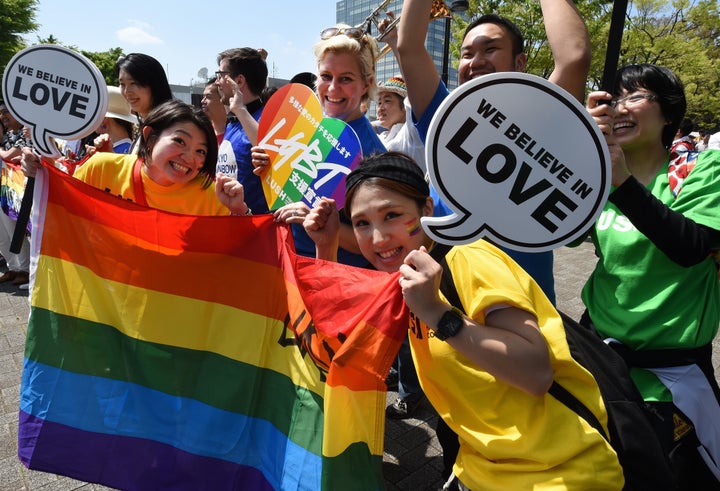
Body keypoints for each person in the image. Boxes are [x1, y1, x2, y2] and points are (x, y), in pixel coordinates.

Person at [301, 151, 624, 490]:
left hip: (558, 472)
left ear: (426, 210)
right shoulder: (407, 275)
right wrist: (327, 244)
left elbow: (536, 373)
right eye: (362, 223)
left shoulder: (468, 259)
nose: (378, 238)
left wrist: (438, 314)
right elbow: (337, 344)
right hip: (479, 469)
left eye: (392, 215)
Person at [397, 0, 590, 305]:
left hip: (525, 316)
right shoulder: (445, 118)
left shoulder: (542, 119)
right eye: (467, 53)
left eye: (490, 50)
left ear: (519, 63)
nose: (476, 61)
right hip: (444, 314)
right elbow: (408, 46)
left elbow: (574, 58)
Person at [583, 63, 720, 489]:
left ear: (668, 114)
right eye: (611, 98)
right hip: (599, 361)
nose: (618, 107)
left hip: (672, 379)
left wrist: (619, 178)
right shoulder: (594, 174)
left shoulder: (702, 169)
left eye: (634, 96)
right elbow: (550, 230)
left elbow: (689, 246)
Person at [252, 25, 386, 268]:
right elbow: (284, 197)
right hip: (290, 265)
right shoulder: (303, 126)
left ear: (366, 84)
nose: (333, 88)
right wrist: (269, 166)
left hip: (338, 281)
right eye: (326, 77)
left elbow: (376, 242)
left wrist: (315, 220)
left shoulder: (373, 155)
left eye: (346, 78)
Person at [22, 100, 250, 217]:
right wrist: (41, 173)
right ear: (150, 137)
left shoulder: (210, 194)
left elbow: (240, 255)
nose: (190, 157)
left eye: (201, 151)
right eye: (180, 141)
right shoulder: (100, 169)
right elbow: (61, 211)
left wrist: (239, 211)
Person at [215, 47, 269, 215]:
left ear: (238, 81)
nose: (217, 82)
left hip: (257, 228)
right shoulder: (232, 123)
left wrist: (240, 110)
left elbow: (273, 155)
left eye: (220, 75)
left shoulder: (268, 120)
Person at [116, 53, 174, 155]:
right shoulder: (145, 125)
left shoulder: (169, 128)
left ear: (154, 84)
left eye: (133, 83)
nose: (126, 91)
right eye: (122, 84)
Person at [0, 101, 31, 287]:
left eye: (6, 112)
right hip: (4, 188)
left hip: (17, 190)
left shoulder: (24, 134)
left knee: (15, 230)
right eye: (1, 113)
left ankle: (24, 270)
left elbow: (7, 156)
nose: (3, 116)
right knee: (2, 232)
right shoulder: (8, 135)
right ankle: (12, 267)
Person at [375, 75, 426, 172]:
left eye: (387, 101)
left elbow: (416, 101)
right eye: (379, 103)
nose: (380, 108)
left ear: (404, 107)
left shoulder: (411, 134)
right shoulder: (381, 137)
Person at [89, 86, 137, 155]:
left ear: (104, 119)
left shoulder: (126, 152)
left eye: (96, 115)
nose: (93, 118)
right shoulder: (129, 149)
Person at [201, 77, 229, 144]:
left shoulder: (238, 134)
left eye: (208, 97)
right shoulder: (202, 133)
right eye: (203, 97)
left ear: (223, 99)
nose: (202, 101)